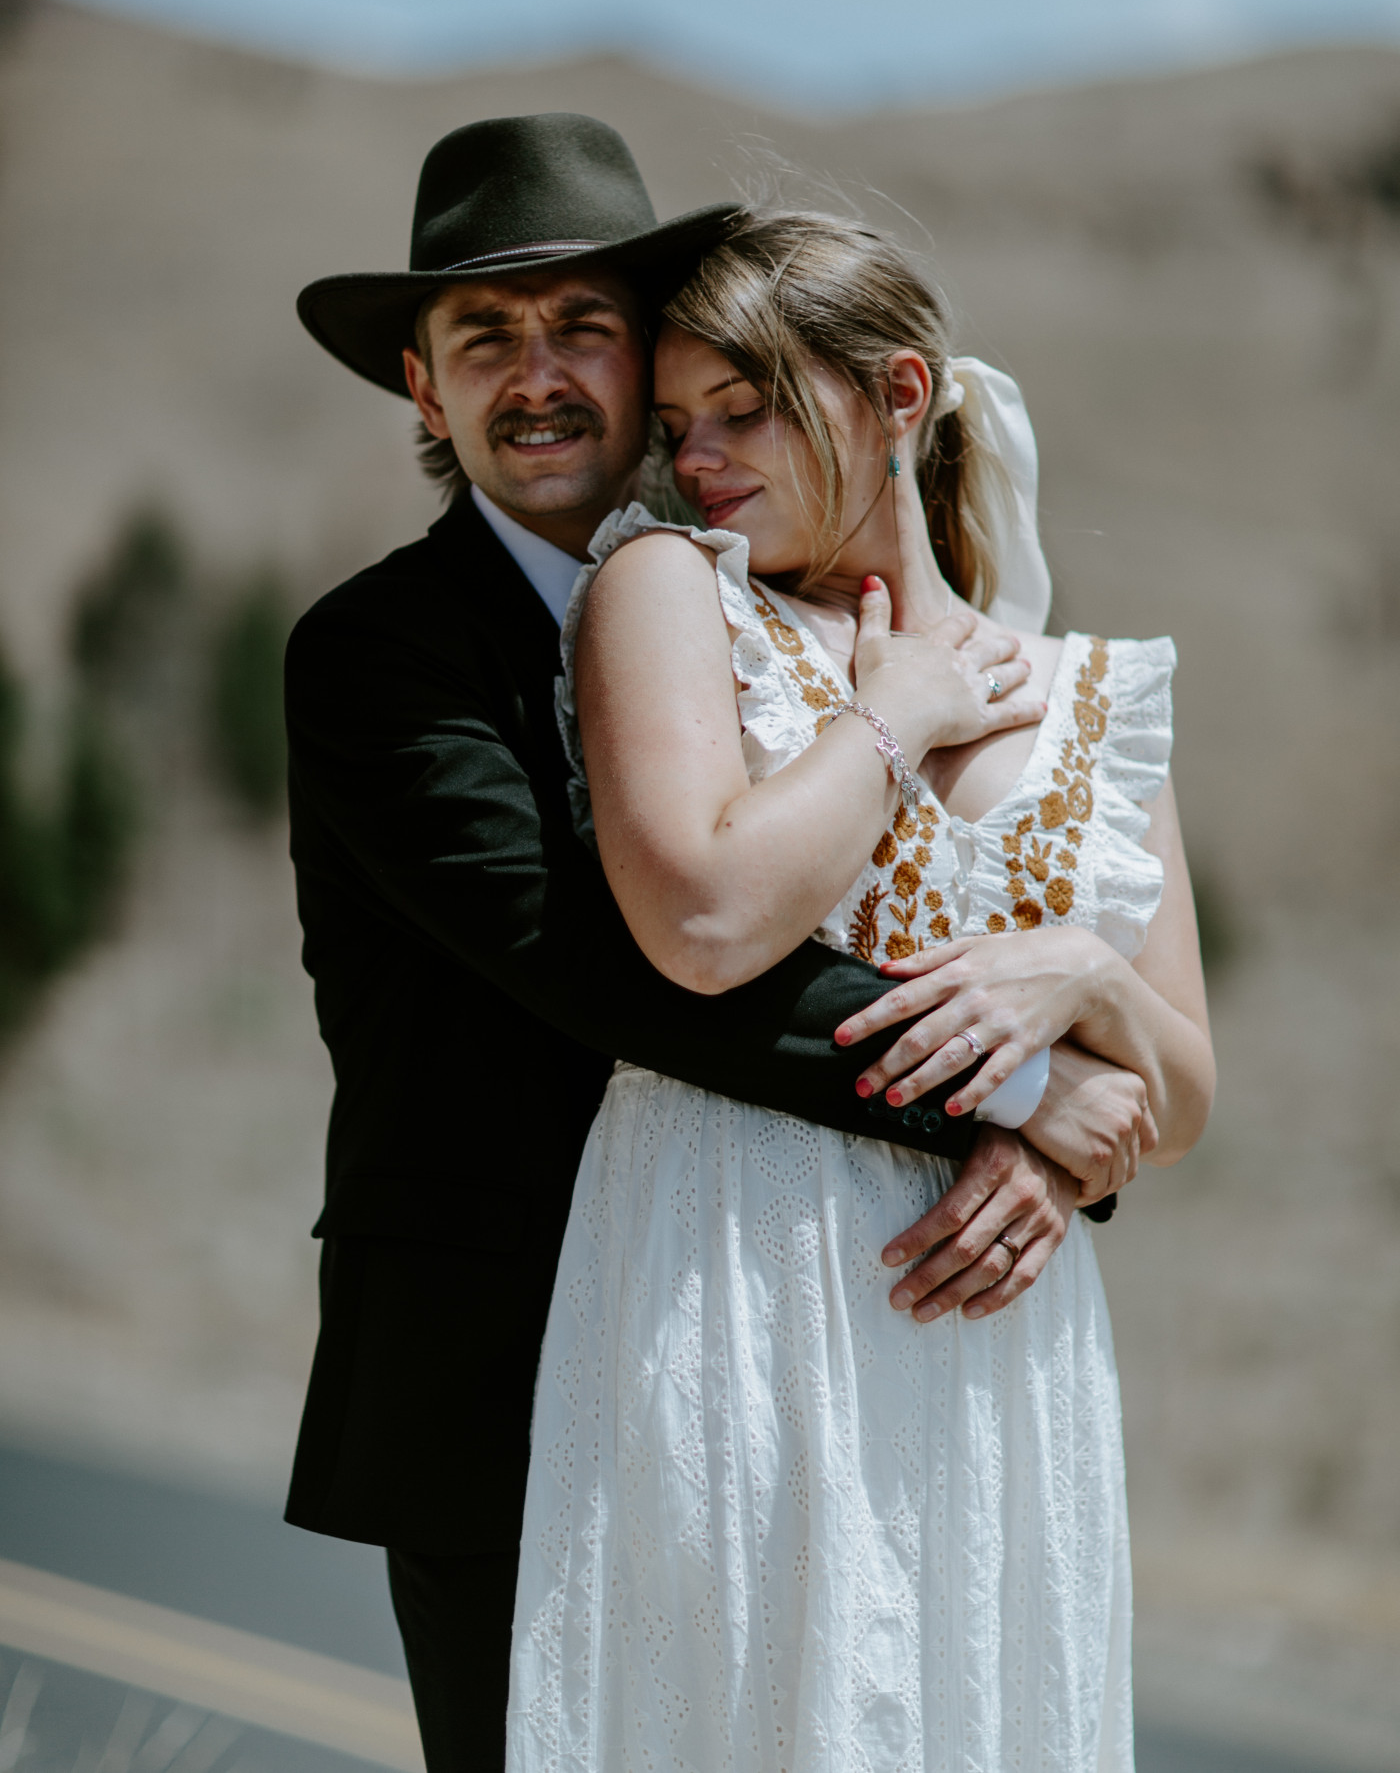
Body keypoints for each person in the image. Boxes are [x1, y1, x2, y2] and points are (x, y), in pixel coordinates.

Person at [286, 115, 1161, 1773]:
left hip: (801, 1336)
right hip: (504, 1360)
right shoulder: (376, 656)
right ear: (422, 385)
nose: (536, 376)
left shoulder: (792, 620)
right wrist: (1008, 1089)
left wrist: (1064, 1114)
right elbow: (608, 964)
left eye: (581, 328)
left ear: (648, 353)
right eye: (485, 339)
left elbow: (964, 908)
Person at [507, 210, 1215, 1771]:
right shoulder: (674, 595)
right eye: (679, 424)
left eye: (743, 410)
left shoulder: (1093, 691)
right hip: (732, 1284)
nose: (697, 459)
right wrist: (887, 721)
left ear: (899, 395)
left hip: (996, 1356)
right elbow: (701, 923)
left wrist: (1077, 973)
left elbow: (1182, 1093)